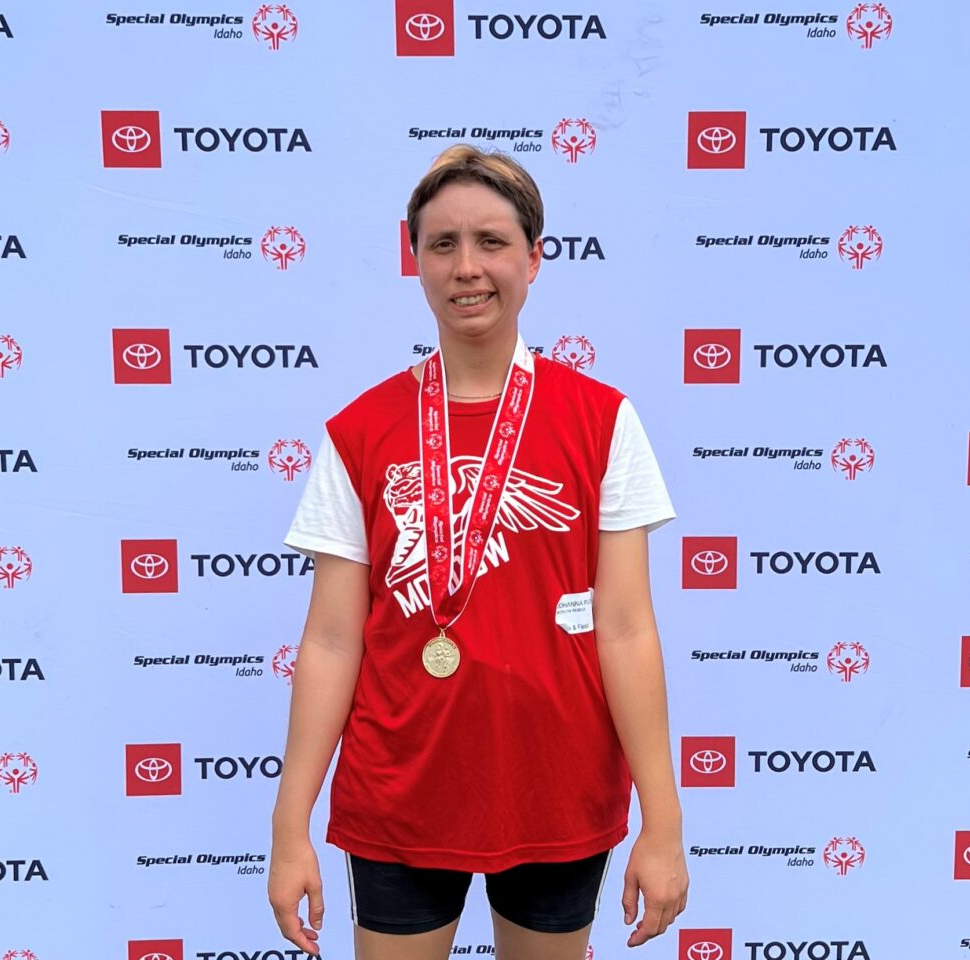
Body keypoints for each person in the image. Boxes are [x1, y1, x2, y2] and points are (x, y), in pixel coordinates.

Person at [268, 145, 688, 960]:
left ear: (535, 259)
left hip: (557, 786)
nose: (468, 267)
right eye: (443, 243)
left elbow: (628, 629)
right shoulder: (360, 431)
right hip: (401, 791)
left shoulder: (602, 421)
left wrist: (663, 825)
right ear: (415, 260)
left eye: (493, 242)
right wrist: (291, 827)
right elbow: (329, 640)